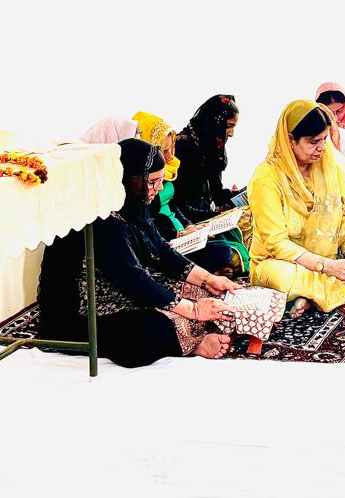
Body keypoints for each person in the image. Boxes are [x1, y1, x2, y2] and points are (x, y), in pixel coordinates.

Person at [36, 139, 239, 365]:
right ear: (124, 179)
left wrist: (209, 279)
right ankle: (191, 344)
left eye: (160, 180)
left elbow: (161, 249)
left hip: (117, 291)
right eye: (152, 182)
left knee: (204, 293)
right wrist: (193, 310)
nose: (159, 188)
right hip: (81, 315)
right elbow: (132, 279)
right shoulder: (100, 218)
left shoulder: (132, 205)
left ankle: (190, 330)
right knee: (152, 330)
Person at [249, 101, 345, 317]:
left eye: (325, 139)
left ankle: (313, 298)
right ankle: (325, 293)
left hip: (333, 257)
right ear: (290, 140)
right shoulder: (266, 178)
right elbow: (276, 243)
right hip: (283, 263)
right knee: (280, 277)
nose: (322, 147)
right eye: (313, 142)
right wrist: (328, 266)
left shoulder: (335, 166)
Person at [132, 111, 242, 274]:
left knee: (227, 238)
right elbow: (148, 226)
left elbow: (174, 205)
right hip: (168, 239)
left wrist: (189, 226)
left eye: (171, 149)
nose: (170, 156)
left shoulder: (168, 170)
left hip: (183, 233)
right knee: (223, 250)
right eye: (164, 150)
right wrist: (179, 234)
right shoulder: (140, 183)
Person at [171, 94, 250, 270]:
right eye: (228, 126)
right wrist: (213, 217)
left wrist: (241, 195)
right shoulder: (184, 147)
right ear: (214, 123)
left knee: (250, 213)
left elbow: (216, 193)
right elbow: (179, 204)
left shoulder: (210, 146)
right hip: (189, 220)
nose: (231, 134)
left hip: (206, 215)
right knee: (229, 243)